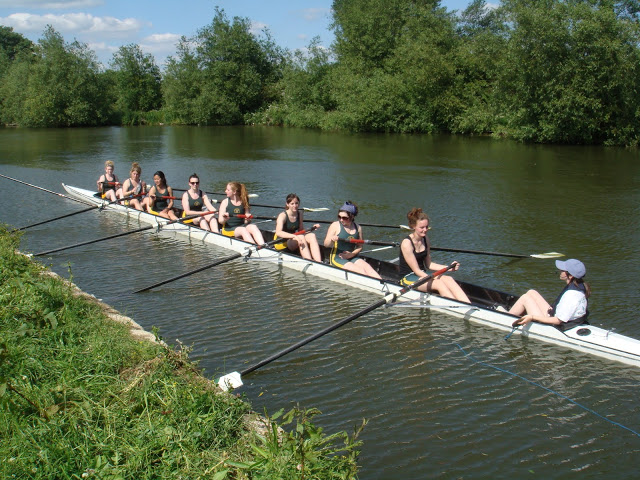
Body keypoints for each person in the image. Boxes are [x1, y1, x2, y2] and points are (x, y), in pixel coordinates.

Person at [398, 208, 471, 303]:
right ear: (413, 226)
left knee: (449, 279)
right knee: (439, 284)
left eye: (426, 227)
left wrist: (448, 268)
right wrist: (433, 277)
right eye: (422, 227)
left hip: (422, 275)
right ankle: (455, 306)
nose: (425, 230)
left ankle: (468, 304)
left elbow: (429, 264)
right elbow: (416, 270)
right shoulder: (406, 243)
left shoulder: (425, 239)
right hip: (408, 279)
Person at [509, 259, 590, 331]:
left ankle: (506, 320)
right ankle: (509, 315)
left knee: (525, 298)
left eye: (562, 270)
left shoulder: (571, 295)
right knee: (531, 292)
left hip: (552, 324)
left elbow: (558, 321)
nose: (560, 271)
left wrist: (532, 317)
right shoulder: (579, 286)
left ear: (570, 275)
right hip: (554, 315)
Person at [323, 201, 382, 279]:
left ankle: (382, 283)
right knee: (361, 271)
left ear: (352, 217)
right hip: (337, 258)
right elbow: (326, 245)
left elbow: (360, 246)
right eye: (339, 217)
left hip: (352, 256)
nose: (341, 220)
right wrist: (332, 240)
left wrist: (351, 254)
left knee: (369, 269)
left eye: (344, 218)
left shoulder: (358, 228)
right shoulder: (335, 225)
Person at [274, 193, 322, 262]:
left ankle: (318, 261)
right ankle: (309, 260)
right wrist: (294, 236)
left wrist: (312, 228)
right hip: (281, 243)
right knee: (301, 237)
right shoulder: (282, 216)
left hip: (293, 239)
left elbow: (301, 231)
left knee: (312, 236)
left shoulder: (299, 214)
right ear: (287, 204)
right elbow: (278, 232)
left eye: (296, 203)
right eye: (292, 204)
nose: (295, 206)